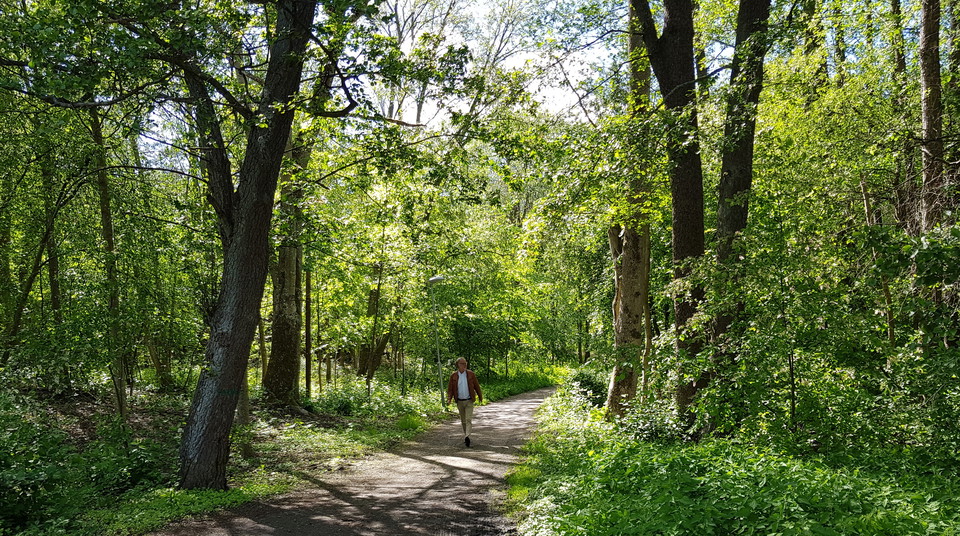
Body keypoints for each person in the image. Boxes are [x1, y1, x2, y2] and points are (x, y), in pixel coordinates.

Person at [445, 357, 483, 447]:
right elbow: (450, 389)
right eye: (462, 364)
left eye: (465, 363)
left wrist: (480, 396)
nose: (464, 365)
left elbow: (476, 386)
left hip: (469, 400)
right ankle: (467, 435)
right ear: (458, 365)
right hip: (459, 401)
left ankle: (467, 436)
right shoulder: (453, 376)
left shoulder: (470, 374)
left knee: (468, 419)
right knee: (463, 420)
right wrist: (449, 398)